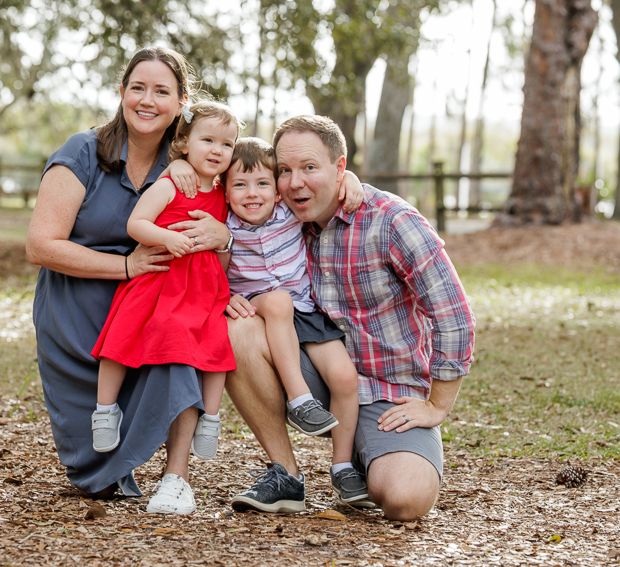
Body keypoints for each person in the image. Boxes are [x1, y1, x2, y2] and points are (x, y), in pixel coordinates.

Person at [225, 116, 476, 520]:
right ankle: (286, 473)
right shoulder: (281, 215)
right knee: (237, 330)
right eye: (285, 171)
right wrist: (229, 296)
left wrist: (438, 405)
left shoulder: (392, 221)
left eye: (309, 167)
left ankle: (364, 458)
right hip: (316, 378)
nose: (294, 183)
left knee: (404, 498)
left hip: (387, 394)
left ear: (339, 169)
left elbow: (454, 315)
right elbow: (221, 174)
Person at [26, 46, 232, 516]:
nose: (147, 100)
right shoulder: (83, 151)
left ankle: (176, 477)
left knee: (180, 343)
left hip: (157, 302)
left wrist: (223, 238)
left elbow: (259, 186)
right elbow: (40, 246)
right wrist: (124, 267)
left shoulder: (190, 161)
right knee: (96, 479)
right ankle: (109, 438)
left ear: (181, 102)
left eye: (162, 91)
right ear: (121, 93)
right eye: (137, 88)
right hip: (77, 310)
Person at [91, 101, 242, 474]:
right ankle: (105, 409)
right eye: (207, 140)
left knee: (215, 346)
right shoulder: (172, 183)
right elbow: (136, 223)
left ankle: (210, 417)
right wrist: (164, 238)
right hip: (160, 278)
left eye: (226, 144)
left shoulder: (226, 192)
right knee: (121, 339)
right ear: (184, 143)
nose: (217, 150)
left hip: (202, 287)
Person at [221, 138, 372, 510]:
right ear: (223, 192)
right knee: (276, 301)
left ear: (276, 191)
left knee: (344, 378)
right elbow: (208, 270)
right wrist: (221, 296)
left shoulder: (288, 211)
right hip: (259, 308)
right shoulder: (222, 226)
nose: (252, 194)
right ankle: (299, 398)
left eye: (262, 184)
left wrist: (350, 177)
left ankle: (342, 466)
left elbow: (323, 187)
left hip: (306, 311)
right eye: (239, 185)